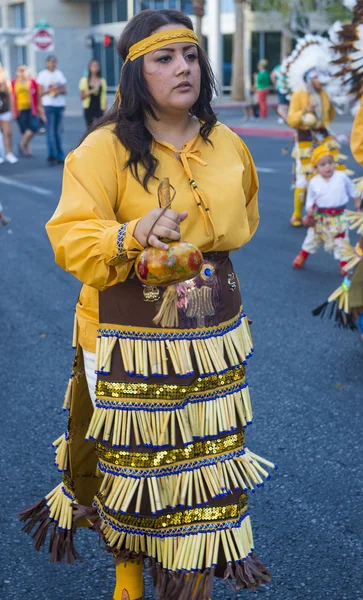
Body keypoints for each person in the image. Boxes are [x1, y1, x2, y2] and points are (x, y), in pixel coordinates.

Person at [19, 9, 275, 600]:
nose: (183, 67)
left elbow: (246, 220)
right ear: (135, 75)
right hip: (121, 336)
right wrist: (132, 234)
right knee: (134, 471)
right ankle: (130, 574)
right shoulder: (101, 148)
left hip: (212, 333)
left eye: (190, 55)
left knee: (204, 465)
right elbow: (72, 238)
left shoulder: (228, 142)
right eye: (164, 58)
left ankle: (186, 581)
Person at [293, 145, 359, 273]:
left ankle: (344, 264)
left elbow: (352, 188)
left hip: (340, 216)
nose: (328, 166)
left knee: (341, 241)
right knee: (312, 238)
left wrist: (357, 201)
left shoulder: (341, 176)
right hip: (320, 217)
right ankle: (302, 255)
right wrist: (309, 212)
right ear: (316, 168)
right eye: (322, 164)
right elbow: (310, 200)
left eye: (330, 162)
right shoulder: (314, 182)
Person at [37, 55, 67, 165]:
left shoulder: (59, 74)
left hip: (59, 105)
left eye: (54, 62)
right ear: (47, 63)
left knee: (58, 131)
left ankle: (60, 155)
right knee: (50, 131)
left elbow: (64, 89)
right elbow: (40, 93)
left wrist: (57, 91)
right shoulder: (42, 75)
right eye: (51, 61)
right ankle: (51, 154)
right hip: (48, 105)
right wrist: (50, 91)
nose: (52, 64)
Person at [11, 65, 43, 157]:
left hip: (31, 109)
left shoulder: (32, 81)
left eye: (23, 70)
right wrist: (13, 110)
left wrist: (40, 108)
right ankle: (27, 149)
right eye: (20, 70)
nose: (22, 72)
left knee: (33, 127)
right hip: (20, 109)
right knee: (24, 130)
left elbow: (38, 94)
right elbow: (12, 97)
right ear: (16, 72)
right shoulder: (13, 82)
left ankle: (21, 144)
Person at [79, 59, 107, 128]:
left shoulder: (102, 81)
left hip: (99, 108)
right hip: (89, 108)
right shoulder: (84, 80)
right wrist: (91, 91)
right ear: (89, 67)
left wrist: (105, 108)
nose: (95, 68)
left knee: (100, 127)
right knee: (90, 128)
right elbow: (82, 96)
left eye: (97, 66)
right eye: (93, 66)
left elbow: (104, 95)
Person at [0, 65, 18, 164]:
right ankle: (1, 155)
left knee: (8, 133)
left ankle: (9, 153)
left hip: (5, 111)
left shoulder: (6, 83)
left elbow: (11, 97)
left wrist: (13, 110)